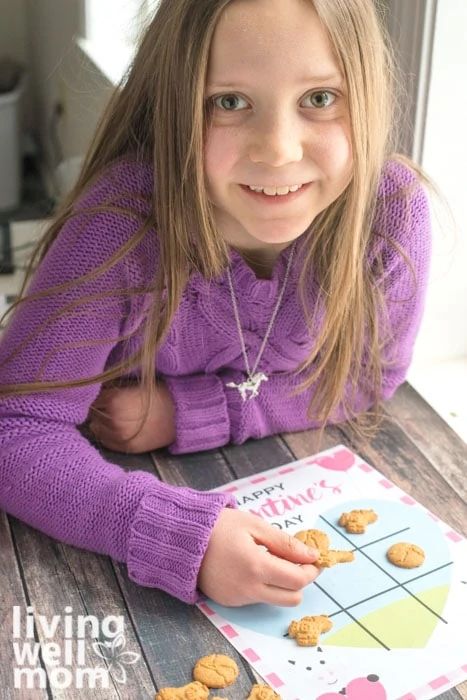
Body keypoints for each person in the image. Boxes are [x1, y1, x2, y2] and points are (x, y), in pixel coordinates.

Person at [0, 0, 431, 608]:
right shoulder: (119, 225)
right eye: (229, 102)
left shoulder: (390, 216)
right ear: (175, 104)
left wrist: (192, 413)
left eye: (319, 98)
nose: (278, 150)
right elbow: (15, 427)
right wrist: (180, 537)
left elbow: (372, 374)